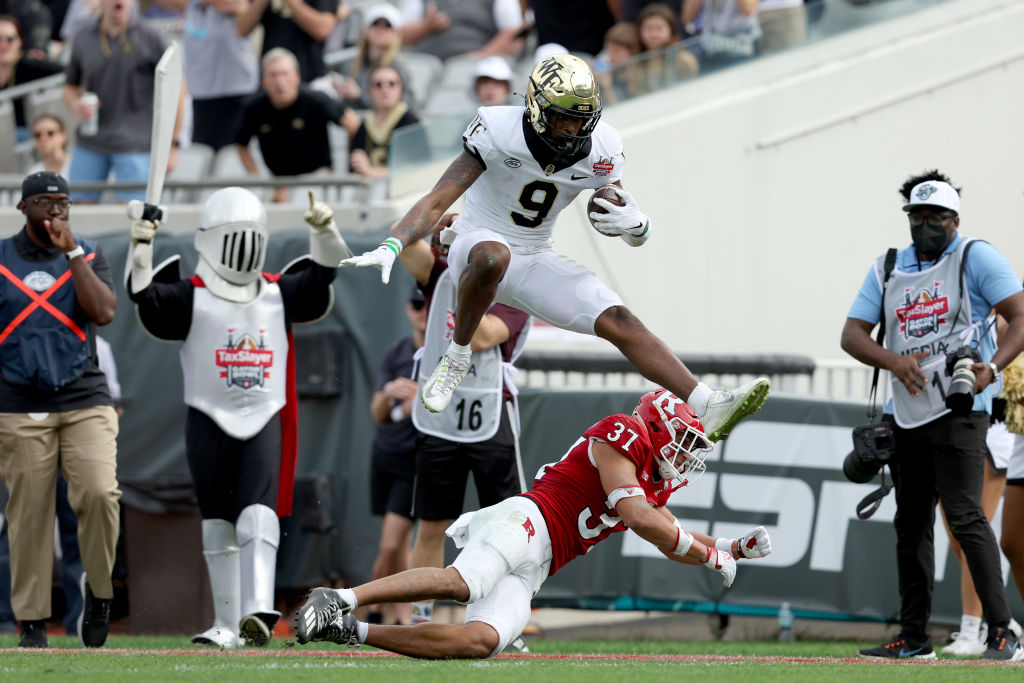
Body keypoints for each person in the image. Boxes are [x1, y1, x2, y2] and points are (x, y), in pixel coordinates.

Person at [340, 53, 769, 444]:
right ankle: (457, 355)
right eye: (564, 118)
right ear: (536, 108)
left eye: (582, 120)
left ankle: (706, 402)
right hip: (474, 243)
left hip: (535, 256)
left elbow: (615, 213)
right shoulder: (498, 129)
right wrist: (394, 243)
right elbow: (437, 200)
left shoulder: (601, 147)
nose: (573, 130)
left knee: (619, 318)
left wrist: (639, 227)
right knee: (494, 255)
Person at [294, 388, 774, 657]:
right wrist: (708, 553)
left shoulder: (650, 479)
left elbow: (669, 535)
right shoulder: (623, 433)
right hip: (529, 520)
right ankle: (339, 597)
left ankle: (353, 632)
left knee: (481, 641)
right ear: (654, 427)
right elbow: (640, 518)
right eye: (682, 442)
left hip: (542, 562)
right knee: (464, 584)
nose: (684, 456)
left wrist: (729, 548)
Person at [126, 187, 351, 648]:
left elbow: (326, 273)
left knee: (256, 513)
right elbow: (145, 297)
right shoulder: (191, 297)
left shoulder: (278, 293)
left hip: (263, 417)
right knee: (217, 522)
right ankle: (227, 624)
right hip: (207, 418)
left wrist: (325, 231)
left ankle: (257, 611)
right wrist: (141, 244)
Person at [840, 171, 1024, 662]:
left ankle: (1002, 633)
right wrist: (893, 361)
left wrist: (991, 369)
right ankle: (915, 638)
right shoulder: (888, 266)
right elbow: (852, 333)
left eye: (936, 217)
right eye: (917, 217)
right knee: (911, 523)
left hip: (961, 406)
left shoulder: (974, 256)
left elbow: (1020, 312)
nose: (925, 225)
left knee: (966, 517)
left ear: (954, 219)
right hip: (905, 411)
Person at [0, 171, 120, 649]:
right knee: (28, 513)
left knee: (99, 493)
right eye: (47, 203)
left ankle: (98, 593)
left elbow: (104, 311)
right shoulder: (3, 257)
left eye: (64, 204)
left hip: (83, 396)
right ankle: (32, 622)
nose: (57, 212)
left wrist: (71, 253)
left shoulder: (88, 253)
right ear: (25, 207)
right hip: (19, 401)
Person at [392, 219, 530, 630]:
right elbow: (401, 240)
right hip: (442, 418)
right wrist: (442, 222)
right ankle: (421, 621)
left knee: (503, 526)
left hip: (490, 417)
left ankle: (502, 619)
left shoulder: (514, 293)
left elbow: (485, 335)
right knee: (432, 523)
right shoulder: (440, 274)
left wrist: (467, 282)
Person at [63, 0, 187, 203]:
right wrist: (75, 104)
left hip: (136, 145)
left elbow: (178, 88)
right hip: (90, 142)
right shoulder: (83, 37)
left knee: (132, 215)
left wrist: (173, 144)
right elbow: (69, 87)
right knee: (78, 212)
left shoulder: (152, 35)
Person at [363, 286, 427, 626]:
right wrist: (389, 393)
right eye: (417, 304)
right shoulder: (396, 353)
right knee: (397, 544)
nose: (422, 312)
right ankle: (399, 614)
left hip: (417, 460)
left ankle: (370, 606)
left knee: (391, 545)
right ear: (407, 309)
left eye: (428, 304)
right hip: (386, 452)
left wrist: (423, 395)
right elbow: (377, 413)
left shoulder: (446, 354)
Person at [235, 47, 360, 203]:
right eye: (273, 75)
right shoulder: (254, 107)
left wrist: (352, 167)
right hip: (277, 181)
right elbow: (240, 144)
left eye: (285, 74)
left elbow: (353, 122)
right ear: (263, 80)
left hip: (318, 178)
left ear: (297, 77)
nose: (279, 81)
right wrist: (257, 179)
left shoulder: (315, 99)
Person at [169, 0, 259, 151]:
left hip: (237, 92)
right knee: (202, 154)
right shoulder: (192, 6)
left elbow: (236, 5)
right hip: (201, 94)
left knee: (235, 154)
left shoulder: (235, 5)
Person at [319, 2, 404, 111]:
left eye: (388, 25)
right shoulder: (350, 64)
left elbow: (403, 105)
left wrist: (359, 97)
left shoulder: (398, 67)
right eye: (375, 23)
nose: (381, 29)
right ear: (366, 30)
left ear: (395, 33)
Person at [348, 64, 426, 180]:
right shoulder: (364, 124)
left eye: (392, 84)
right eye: (378, 85)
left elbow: (416, 167)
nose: (385, 90)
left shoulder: (410, 122)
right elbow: (353, 169)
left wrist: (370, 171)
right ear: (370, 90)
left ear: (401, 89)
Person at [236, 0, 338, 82]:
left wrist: (291, 3)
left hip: (310, 76)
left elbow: (322, 29)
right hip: (272, 78)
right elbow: (242, 29)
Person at [0, 15, 63, 142]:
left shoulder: (30, 65)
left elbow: (67, 73)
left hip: (23, 136)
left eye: (10, 39)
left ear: (20, 42)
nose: (3, 44)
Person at [397, 0, 525, 61]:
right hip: (426, 65)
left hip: (470, 67)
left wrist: (479, 58)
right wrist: (424, 28)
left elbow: (514, 33)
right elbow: (396, 36)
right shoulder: (422, 2)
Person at [634, 3, 698, 92]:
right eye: (648, 28)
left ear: (671, 30)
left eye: (659, 28)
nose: (653, 34)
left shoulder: (683, 60)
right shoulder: (637, 64)